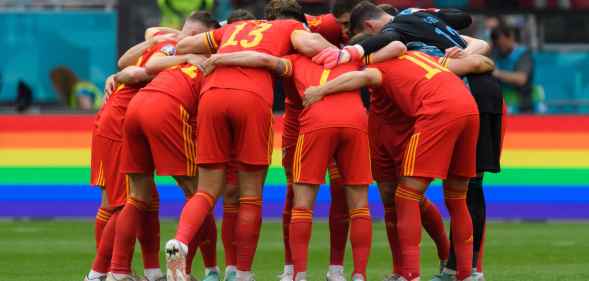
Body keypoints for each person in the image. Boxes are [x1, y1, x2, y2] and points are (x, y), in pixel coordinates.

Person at [166, 1, 333, 281]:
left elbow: (183, 46)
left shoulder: (233, 28)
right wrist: (337, 53)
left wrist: (177, 54)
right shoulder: (288, 27)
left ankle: (180, 241)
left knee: (206, 190)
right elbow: (315, 45)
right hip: (251, 99)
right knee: (251, 195)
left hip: (212, 96)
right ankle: (241, 273)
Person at [307, 47, 480, 281]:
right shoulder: (419, 56)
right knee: (457, 197)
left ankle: (410, 274)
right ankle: (466, 274)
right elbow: (478, 64)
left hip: (438, 110)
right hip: (469, 108)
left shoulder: (381, 67)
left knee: (406, 196)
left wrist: (321, 90)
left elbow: (362, 77)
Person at [105, 12, 220, 281]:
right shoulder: (209, 61)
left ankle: (117, 271)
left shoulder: (170, 48)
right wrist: (189, 41)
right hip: (167, 109)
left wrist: (182, 37)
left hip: (135, 108)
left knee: (137, 197)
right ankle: (187, 270)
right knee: (199, 195)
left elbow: (142, 54)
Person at [84, 27, 183, 281]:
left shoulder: (170, 41)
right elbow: (138, 69)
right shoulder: (175, 47)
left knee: (146, 196)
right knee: (120, 202)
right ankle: (104, 273)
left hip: (131, 122)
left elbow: (148, 36)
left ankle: (149, 271)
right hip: (119, 123)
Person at [491, 24, 534, 113]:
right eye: (497, 43)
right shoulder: (495, 53)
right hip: (501, 105)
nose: (499, 46)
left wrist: (496, 73)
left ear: (510, 38)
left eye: (502, 43)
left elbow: (521, 79)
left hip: (522, 106)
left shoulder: (523, 54)